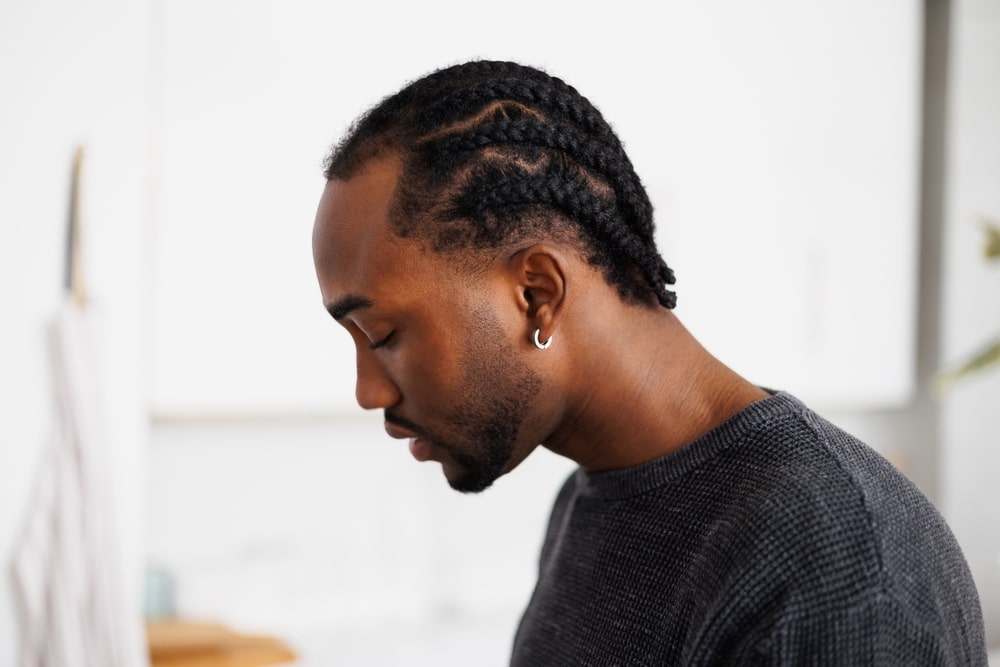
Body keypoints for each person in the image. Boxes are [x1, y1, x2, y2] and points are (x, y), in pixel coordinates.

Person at [311, 60, 987, 665]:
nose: (368, 391)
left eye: (383, 334)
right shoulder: (591, 497)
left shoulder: (834, 567)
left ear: (537, 295)